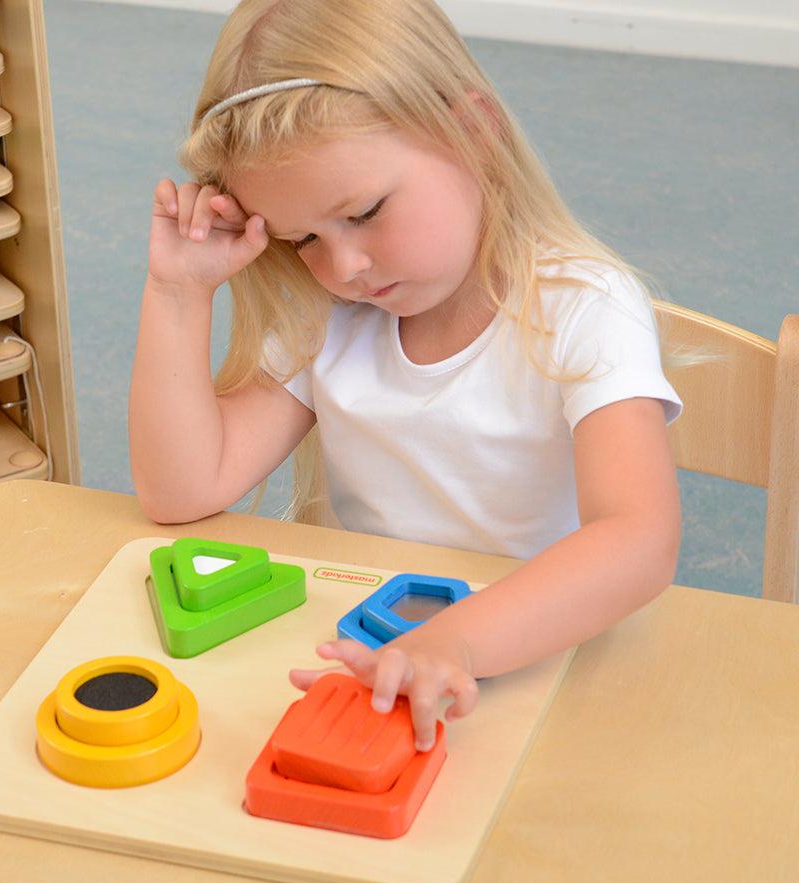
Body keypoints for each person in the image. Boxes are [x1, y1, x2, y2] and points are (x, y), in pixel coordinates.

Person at [129, 0, 682, 752]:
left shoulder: (584, 308)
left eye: (364, 212)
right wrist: (178, 294)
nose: (343, 267)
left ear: (473, 132)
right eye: (301, 241)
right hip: (385, 668)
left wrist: (454, 644)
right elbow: (183, 489)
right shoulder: (327, 317)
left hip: (536, 665)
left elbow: (639, 540)